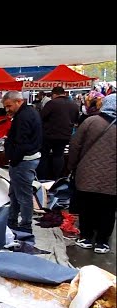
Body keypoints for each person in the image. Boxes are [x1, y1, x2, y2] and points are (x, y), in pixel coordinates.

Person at [68, 93, 116, 254]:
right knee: (108, 209)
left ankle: (86, 238)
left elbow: (75, 146)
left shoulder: (90, 121)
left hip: (86, 173)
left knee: (86, 206)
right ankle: (102, 242)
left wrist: (72, 166)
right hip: (112, 177)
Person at [3, 91, 42, 234]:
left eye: (9, 106)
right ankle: (12, 220)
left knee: (23, 196)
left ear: (19, 101)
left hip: (23, 161)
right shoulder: (28, 113)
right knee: (14, 193)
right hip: (25, 159)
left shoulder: (23, 117)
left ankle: (25, 225)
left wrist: (13, 159)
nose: (8, 109)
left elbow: (22, 142)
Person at [37, 86, 79, 180]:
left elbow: (41, 117)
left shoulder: (52, 103)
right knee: (59, 155)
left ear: (54, 94)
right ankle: (57, 178)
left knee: (44, 156)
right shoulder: (74, 104)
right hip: (65, 136)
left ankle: (43, 178)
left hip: (49, 135)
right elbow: (76, 120)